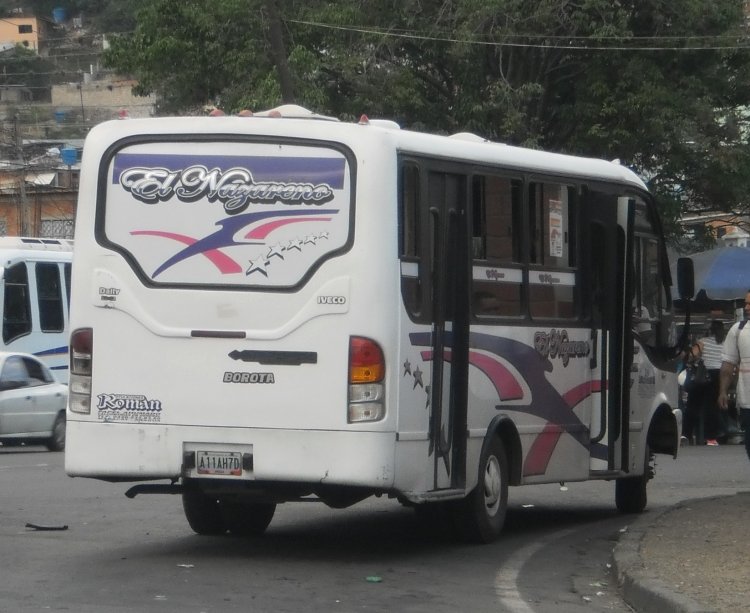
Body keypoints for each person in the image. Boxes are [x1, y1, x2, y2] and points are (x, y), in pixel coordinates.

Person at [719, 292, 750, 461]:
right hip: (747, 402)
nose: (746, 308)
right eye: (745, 304)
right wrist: (723, 391)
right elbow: (727, 365)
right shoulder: (738, 330)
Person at [688, 320, 726, 445]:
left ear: (710, 330)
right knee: (712, 407)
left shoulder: (703, 342)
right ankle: (711, 438)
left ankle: (686, 434)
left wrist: (695, 359)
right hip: (719, 376)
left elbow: (692, 354)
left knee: (693, 404)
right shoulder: (726, 344)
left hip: (703, 374)